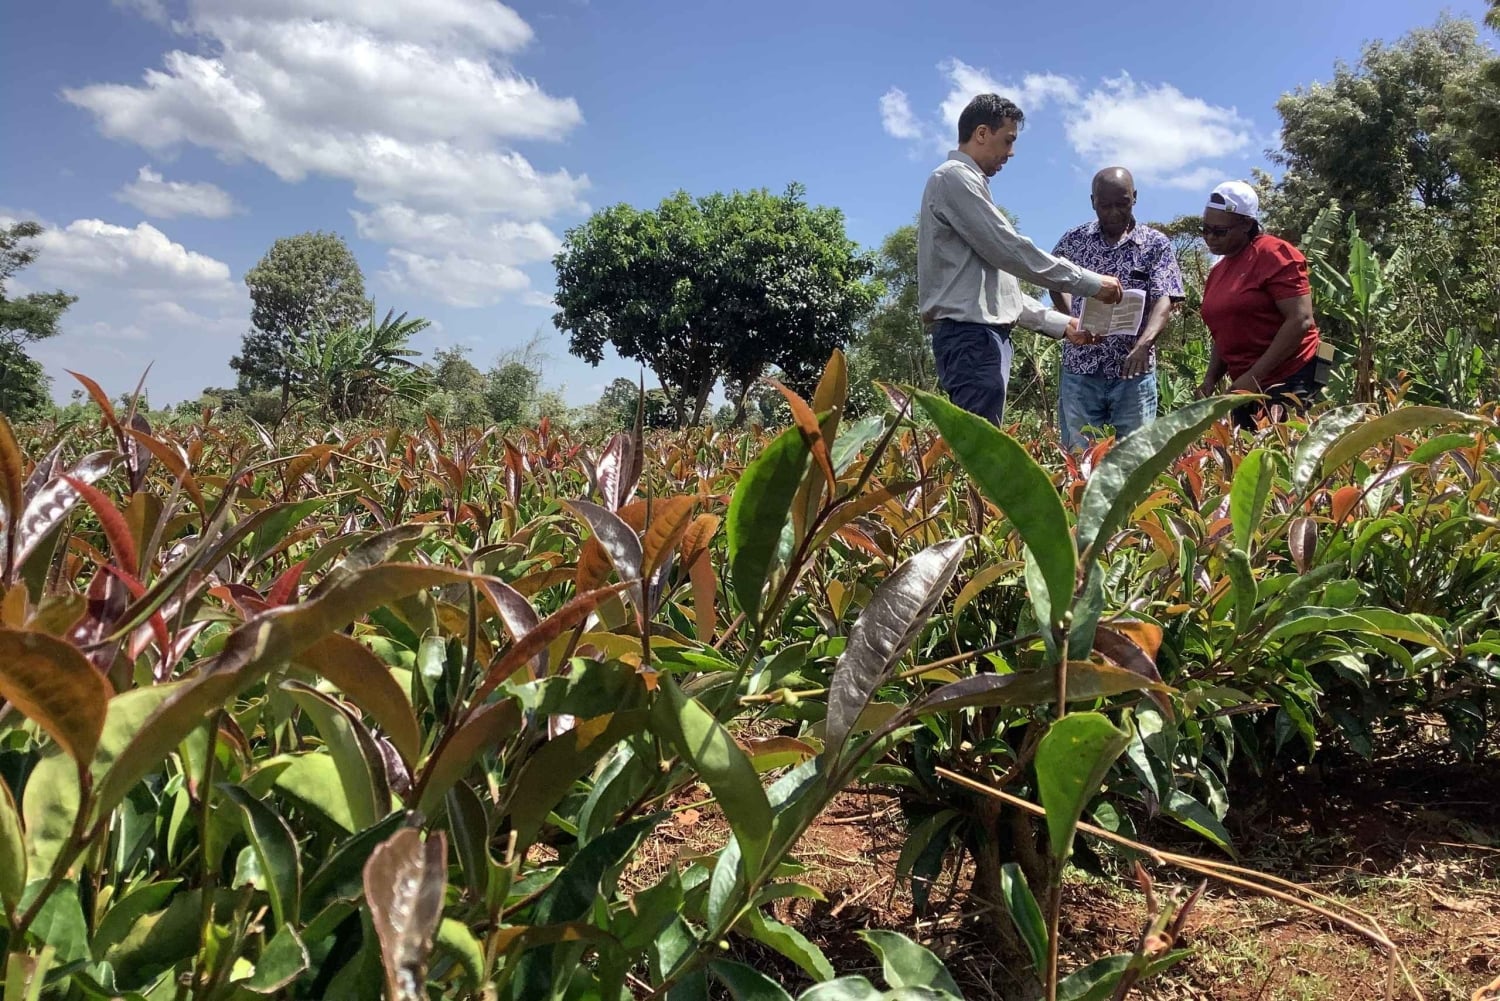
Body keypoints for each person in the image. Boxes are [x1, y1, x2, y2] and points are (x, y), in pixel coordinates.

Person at [918, 93, 1122, 425]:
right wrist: (1091, 284)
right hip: (971, 337)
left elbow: (998, 290)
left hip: (982, 338)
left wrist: (1061, 324)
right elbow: (1010, 249)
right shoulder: (953, 177)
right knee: (981, 453)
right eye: (1008, 140)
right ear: (982, 133)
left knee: (986, 446)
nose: (1011, 153)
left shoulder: (967, 184)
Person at [1049, 167, 1184, 448]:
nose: (1112, 212)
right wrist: (1071, 318)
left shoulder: (1155, 244)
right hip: (1081, 367)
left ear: (1134, 198)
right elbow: (1052, 279)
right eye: (1104, 205)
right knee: (1080, 455)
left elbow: (1165, 298)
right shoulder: (1074, 241)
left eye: (1121, 203)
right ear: (1092, 201)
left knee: (1136, 458)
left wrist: (1145, 344)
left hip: (1133, 372)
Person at [1196, 180, 1323, 427]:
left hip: (1292, 376)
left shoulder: (1274, 254)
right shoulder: (1219, 271)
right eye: (1205, 230)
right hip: (1245, 384)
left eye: (1220, 231)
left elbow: (1301, 320)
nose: (1210, 238)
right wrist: (1211, 378)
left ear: (1246, 224)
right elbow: (1227, 330)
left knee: (1284, 454)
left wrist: (1254, 377)